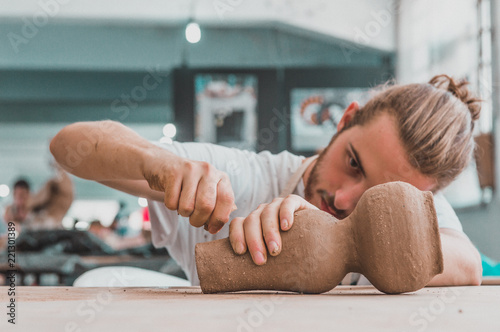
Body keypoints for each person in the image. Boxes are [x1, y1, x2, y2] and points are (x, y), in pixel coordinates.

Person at [50, 74, 483, 287]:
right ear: (345, 121)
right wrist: (158, 164)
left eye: (377, 194)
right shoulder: (249, 179)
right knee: (98, 283)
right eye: (353, 163)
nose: (346, 198)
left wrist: (344, 240)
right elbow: (67, 145)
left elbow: (469, 265)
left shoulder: (416, 207)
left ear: (424, 199)